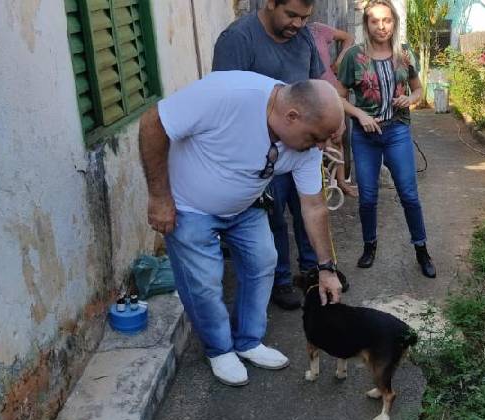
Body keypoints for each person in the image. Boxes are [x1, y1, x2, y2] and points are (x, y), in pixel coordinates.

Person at [138, 71, 344, 386]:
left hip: (245, 205)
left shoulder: (305, 147)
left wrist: (327, 268)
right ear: (292, 116)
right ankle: (219, 349)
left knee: (264, 261)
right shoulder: (230, 94)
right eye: (315, 137)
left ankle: (248, 341)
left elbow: (314, 206)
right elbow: (154, 122)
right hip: (189, 207)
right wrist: (159, 196)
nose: (319, 147)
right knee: (204, 283)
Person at [212, 0, 326, 310]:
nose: (298, 24)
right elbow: (224, 101)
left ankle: (313, 272)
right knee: (272, 218)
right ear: (270, 2)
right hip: (263, 153)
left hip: (302, 149)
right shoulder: (238, 39)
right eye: (291, 15)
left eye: (305, 17)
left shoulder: (303, 37)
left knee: (308, 212)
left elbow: (317, 85)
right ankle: (281, 280)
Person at [336, 0, 436, 278]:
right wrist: (360, 115)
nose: (382, 27)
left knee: (409, 195)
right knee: (367, 198)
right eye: (375, 21)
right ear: (366, 24)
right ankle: (369, 246)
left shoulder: (404, 54)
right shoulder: (354, 56)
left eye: (387, 20)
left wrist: (410, 98)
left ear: (394, 22)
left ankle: (421, 249)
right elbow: (338, 96)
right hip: (365, 137)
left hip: (397, 132)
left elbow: (417, 89)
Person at [307, 21, 358, 198]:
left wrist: (341, 58)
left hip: (332, 90)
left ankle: (342, 182)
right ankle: (317, 187)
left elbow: (348, 38)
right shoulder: (291, 36)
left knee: (338, 138)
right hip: (308, 95)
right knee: (318, 141)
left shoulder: (318, 29)